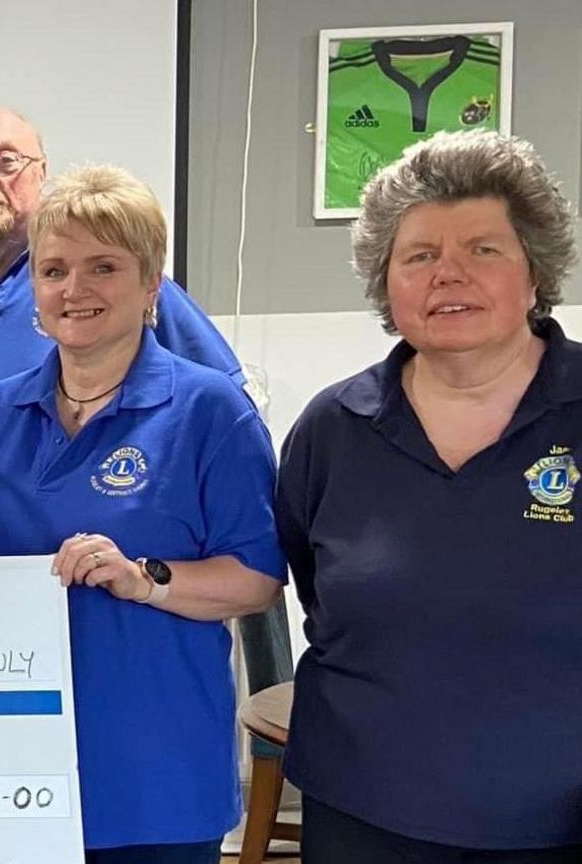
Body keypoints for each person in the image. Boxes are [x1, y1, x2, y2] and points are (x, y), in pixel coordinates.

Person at [0, 165, 284, 863]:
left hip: (156, 779)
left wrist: (145, 579)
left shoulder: (211, 412)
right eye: (54, 269)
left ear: (152, 283)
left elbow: (257, 581)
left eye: (103, 267)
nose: (74, 289)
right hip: (5, 773)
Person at [277, 131, 582, 862]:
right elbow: (314, 583)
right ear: (388, 285)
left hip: (558, 820)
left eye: (483, 249)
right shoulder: (332, 427)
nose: (450, 275)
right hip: (362, 812)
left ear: (535, 272)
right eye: (419, 256)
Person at [0, 104, 244, 558]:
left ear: (42, 174)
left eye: (6, 160)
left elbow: (219, 406)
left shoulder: (108, 287)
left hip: (93, 576)